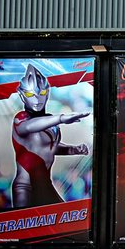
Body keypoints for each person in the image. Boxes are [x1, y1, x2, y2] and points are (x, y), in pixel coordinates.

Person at [11, 64, 90, 208]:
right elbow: (29, 126)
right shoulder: (21, 119)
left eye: (41, 93)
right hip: (26, 187)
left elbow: (50, 148)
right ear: (22, 95)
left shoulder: (50, 121)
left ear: (47, 93)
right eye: (30, 95)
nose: (37, 99)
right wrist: (61, 118)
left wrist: (73, 149)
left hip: (46, 185)